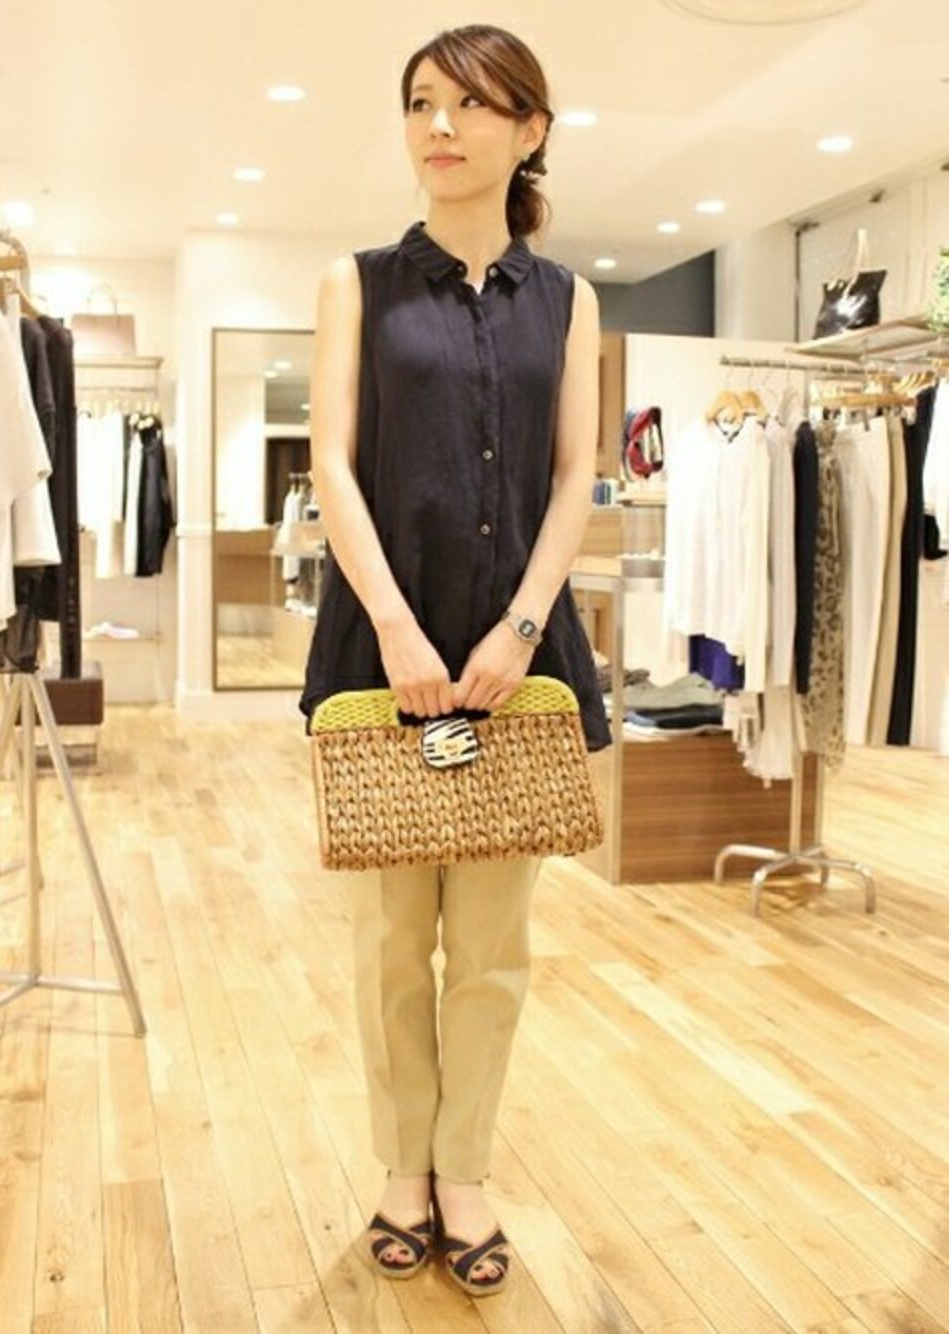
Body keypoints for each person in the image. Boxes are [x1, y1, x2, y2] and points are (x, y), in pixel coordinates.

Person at [299, 23, 609, 1297]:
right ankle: (401, 1166)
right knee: (389, 941)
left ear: (528, 130)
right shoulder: (357, 284)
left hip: (514, 661)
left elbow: (576, 473)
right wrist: (393, 623)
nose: (439, 125)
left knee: (490, 946)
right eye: (420, 102)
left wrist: (521, 624)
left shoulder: (569, 300)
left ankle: (464, 1167)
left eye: (471, 104)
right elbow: (330, 461)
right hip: (384, 651)